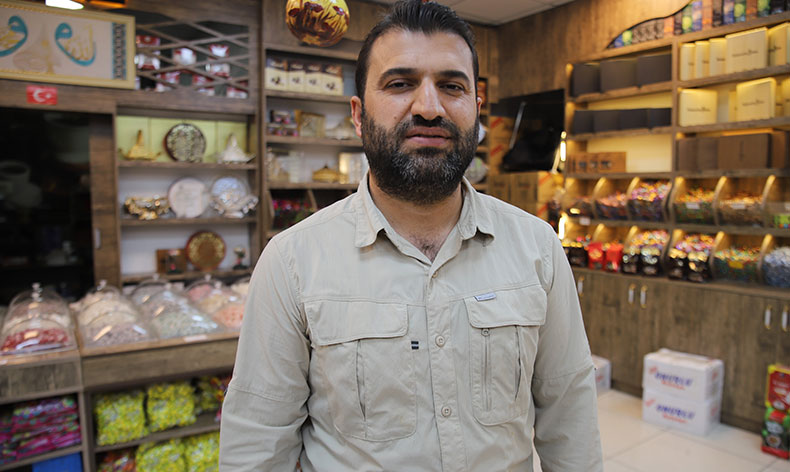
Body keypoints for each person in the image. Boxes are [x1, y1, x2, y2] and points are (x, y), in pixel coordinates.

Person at [219, 1, 603, 470]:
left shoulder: (537, 247)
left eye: (452, 86)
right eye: (400, 84)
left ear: (476, 110)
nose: (429, 107)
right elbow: (258, 441)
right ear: (358, 114)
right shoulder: (292, 261)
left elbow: (569, 414)